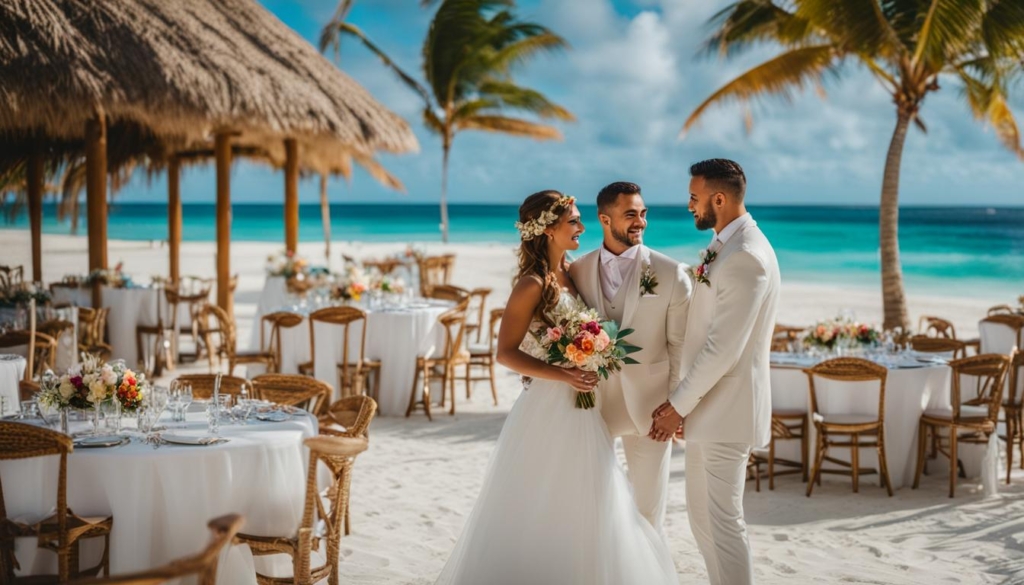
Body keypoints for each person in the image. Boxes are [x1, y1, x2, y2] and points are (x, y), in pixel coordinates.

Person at [435, 190, 678, 585]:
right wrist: (564, 374)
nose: (582, 227)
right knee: (548, 496)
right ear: (548, 230)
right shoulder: (530, 284)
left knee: (590, 497)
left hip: (586, 406)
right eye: (574, 221)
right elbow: (506, 353)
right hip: (551, 406)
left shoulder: (572, 272)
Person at [649, 159, 780, 585]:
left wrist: (677, 405)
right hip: (707, 410)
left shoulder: (747, 257)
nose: (689, 205)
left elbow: (723, 348)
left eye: (694, 197)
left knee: (724, 523)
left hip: (729, 411)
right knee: (703, 521)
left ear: (718, 199)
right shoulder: (726, 246)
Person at [569, 181, 692, 531]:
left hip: (652, 409)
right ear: (604, 219)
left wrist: (677, 407)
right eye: (630, 215)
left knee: (648, 509)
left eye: (643, 213)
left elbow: (681, 345)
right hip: (592, 407)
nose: (640, 222)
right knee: (594, 504)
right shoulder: (577, 271)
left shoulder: (672, 274)